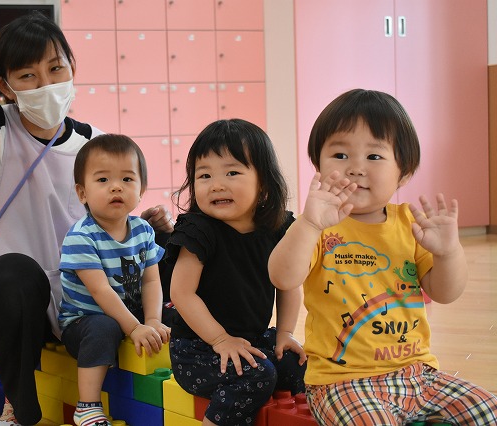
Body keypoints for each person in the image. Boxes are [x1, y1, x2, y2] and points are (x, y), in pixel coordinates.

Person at [0, 2, 173, 425]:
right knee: (19, 274)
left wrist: (144, 225)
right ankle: (20, 408)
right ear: (6, 86)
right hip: (4, 302)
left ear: (72, 68)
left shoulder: (94, 144)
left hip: (77, 299)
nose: (46, 84)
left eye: (55, 69)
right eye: (28, 76)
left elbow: (107, 219)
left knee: (172, 244)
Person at [268, 89, 497, 425]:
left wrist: (448, 253)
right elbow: (282, 277)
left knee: (488, 410)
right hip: (342, 382)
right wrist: (310, 225)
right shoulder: (315, 226)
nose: (356, 168)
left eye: (374, 156)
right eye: (340, 155)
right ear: (318, 165)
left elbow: (446, 292)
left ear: (403, 173)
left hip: (419, 375)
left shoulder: (410, 224)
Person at [166, 119, 307, 426]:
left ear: (263, 182)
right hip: (198, 349)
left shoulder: (278, 227)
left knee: (295, 362)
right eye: (204, 175)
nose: (216, 184)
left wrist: (284, 334)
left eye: (232, 172)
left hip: (250, 339)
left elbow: (288, 284)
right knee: (256, 375)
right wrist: (220, 339)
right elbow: (181, 293)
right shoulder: (198, 230)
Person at [58, 134, 170, 426]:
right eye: (103, 180)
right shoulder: (81, 237)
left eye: (127, 179)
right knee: (103, 327)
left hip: (131, 315)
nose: (116, 186)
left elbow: (151, 282)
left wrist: (153, 321)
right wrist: (134, 327)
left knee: (176, 316)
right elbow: (101, 291)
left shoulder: (143, 230)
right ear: (82, 193)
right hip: (85, 322)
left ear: (141, 190)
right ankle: (87, 406)